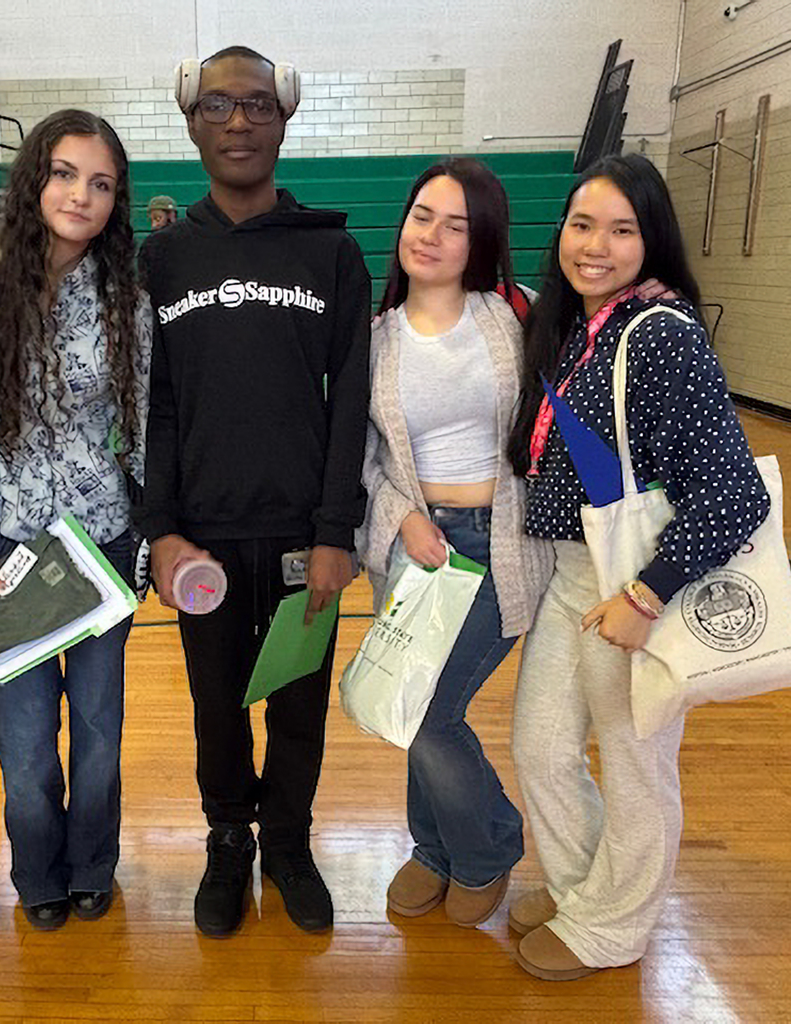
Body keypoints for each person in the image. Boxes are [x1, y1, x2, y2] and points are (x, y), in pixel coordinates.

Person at [505, 154, 770, 980]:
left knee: (634, 768)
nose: (597, 245)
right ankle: (587, 886)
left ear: (651, 241)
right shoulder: (585, 325)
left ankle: (614, 926)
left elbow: (734, 493)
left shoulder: (660, 335)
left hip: (635, 582)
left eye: (624, 230)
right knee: (542, 749)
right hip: (572, 579)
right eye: (583, 225)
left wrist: (648, 594)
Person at [137, 45, 371, 937]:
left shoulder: (333, 252)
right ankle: (228, 840)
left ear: (287, 116)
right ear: (191, 120)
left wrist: (333, 529)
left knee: (300, 706)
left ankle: (290, 841)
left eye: (259, 106)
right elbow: (156, 404)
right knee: (218, 706)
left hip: (300, 535)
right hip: (200, 542)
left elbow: (349, 396)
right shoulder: (163, 257)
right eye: (220, 106)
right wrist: (160, 528)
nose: (240, 122)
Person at [0, 109, 152, 931]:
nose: (82, 194)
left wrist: (148, 541)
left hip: (103, 544)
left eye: (102, 182)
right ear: (35, 177)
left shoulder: (127, 300)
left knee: (101, 737)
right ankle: (37, 871)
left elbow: (143, 426)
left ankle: (92, 866)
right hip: (3, 545)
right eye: (67, 173)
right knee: (27, 747)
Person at [357, 159, 554, 927]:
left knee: (433, 708)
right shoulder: (375, 339)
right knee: (412, 704)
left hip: (496, 540)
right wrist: (402, 515)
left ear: (483, 242)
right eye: (422, 216)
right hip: (418, 547)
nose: (431, 235)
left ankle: (488, 846)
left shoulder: (516, 316)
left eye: (456, 224)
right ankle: (432, 849)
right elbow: (368, 460)